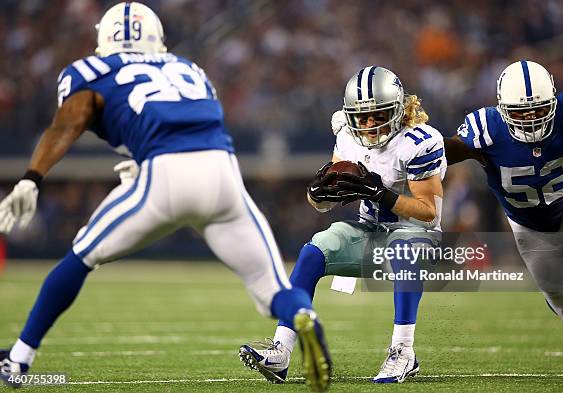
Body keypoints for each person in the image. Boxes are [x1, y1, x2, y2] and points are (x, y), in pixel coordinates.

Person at [0, 3, 331, 391]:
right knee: (272, 287)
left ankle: (19, 359)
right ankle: (305, 317)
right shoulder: (188, 69)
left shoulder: (90, 71)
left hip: (165, 178)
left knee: (82, 255)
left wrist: (31, 178)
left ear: (104, 36)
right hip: (223, 174)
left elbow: (69, 121)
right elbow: (186, 119)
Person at [239, 66, 446, 384]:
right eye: (361, 116)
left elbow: (428, 213)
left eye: (377, 115)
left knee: (406, 248)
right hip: (370, 230)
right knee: (313, 250)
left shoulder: (419, 141)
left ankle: (403, 352)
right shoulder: (348, 136)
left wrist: (381, 194)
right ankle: (281, 350)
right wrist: (316, 195)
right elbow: (328, 200)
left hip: (417, 236)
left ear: (398, 109)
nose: (368, 124)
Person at [445, 60, 563, 329]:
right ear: (503, 109)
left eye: (539, 109)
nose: (532, 118)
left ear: (553, 101)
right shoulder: (487, 128)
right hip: (531, 228)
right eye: (522, 112)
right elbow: (446, 151)